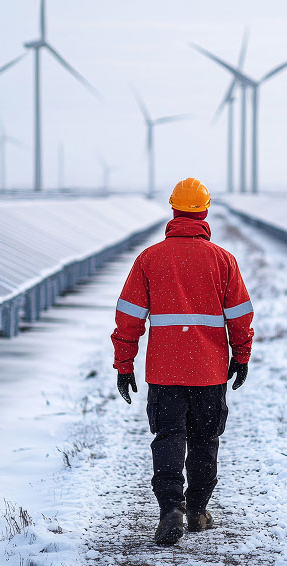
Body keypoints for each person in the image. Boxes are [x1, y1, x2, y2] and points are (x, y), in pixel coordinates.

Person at [110, 177, 254, 545]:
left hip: (165, 370)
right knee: (205, 440)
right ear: (205, 212)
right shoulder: (223, 260)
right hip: (208, 371)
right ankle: (197, 510)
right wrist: (242, 354)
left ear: (173, 211)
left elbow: (128, 318)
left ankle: (170, 508)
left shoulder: (150, 259)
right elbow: (240, 316)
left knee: (169, 436)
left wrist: (124, 364)